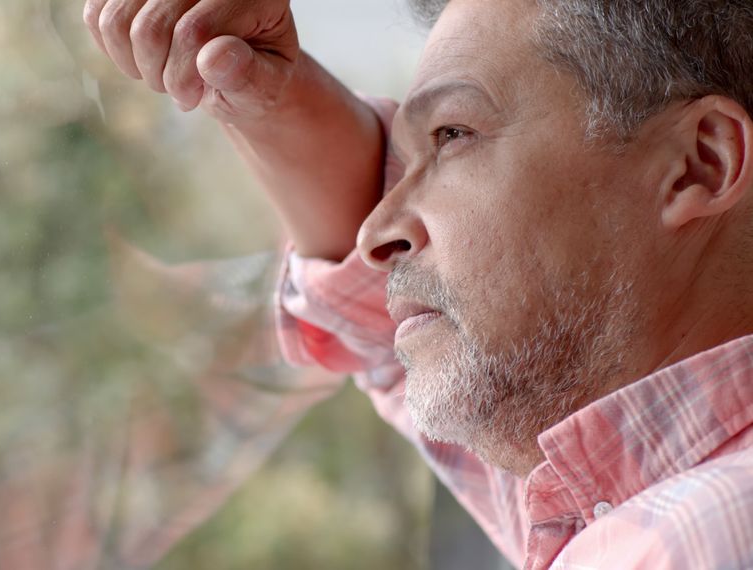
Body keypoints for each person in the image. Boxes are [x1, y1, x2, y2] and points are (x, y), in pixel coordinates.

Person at [86, 0, 753, 567]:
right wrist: (265, 97)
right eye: (407, 160)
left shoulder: (700, 537)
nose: (377, 234)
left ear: (699, 163)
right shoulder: (620, 495)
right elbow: (392, 331)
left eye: (453, 134)